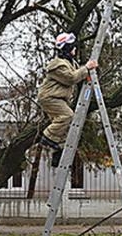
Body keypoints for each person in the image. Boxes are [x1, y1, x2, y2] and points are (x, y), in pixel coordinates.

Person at [37, 32, 98, 167]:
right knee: (67, 116)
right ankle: (47, 137)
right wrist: (87, 68)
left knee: (64, 129)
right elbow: (71, 78)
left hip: (58, 98)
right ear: (67, 48)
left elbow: (77, 73)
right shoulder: (58, 65)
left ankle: (57, 154)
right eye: (73, 47)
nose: (75, 50)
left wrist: (87, 71)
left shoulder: (69, 63)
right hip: (50, 98)